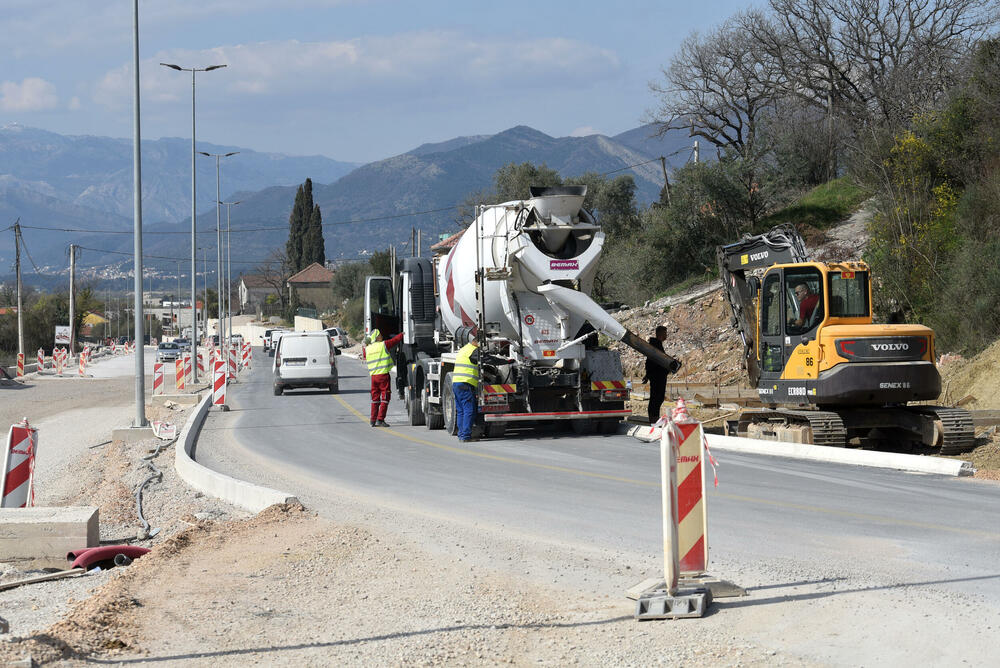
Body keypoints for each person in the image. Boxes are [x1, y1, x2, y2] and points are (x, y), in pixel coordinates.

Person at [364, 328, 403, 427]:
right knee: (385, 397)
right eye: (380, 335)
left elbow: (364, 355)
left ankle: (372, 420)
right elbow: (394, 341)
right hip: (383, 376)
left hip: (374, 377)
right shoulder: (383, 345)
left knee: (375, 398)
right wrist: (402, 334)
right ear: (377, 337)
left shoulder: (367, 349)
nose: (382, 336)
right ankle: (380, 419)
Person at [452, 339, 480, 442]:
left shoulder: (464, 349)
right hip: (465, 383)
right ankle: (466, 436)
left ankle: (461, 435)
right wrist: (505, 361)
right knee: (469, 410)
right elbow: (487, 359)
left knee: (461, 411)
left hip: (456, 383)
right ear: (475, 342)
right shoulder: (473, 350)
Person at [644, 325, 669, 424]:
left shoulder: (657, 345)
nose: (666, 335)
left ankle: (654, 418)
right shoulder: (656, 346)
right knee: (656, 398)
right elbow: (651, 362)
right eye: (665, 333)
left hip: (658, 376)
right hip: (657, 376)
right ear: (661, 334)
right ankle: (653, 419)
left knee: (657, 398)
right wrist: (648, 374)